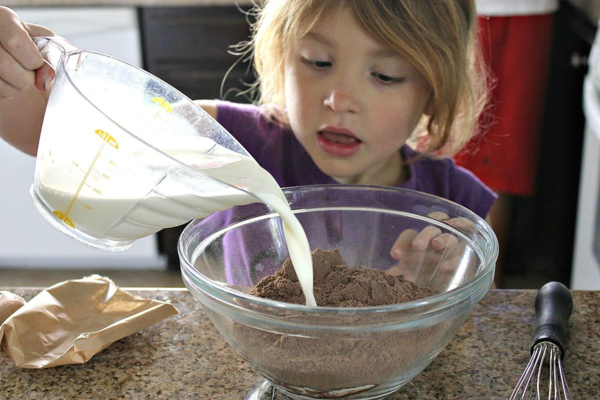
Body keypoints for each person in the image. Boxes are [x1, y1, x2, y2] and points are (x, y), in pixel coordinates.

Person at [0, 1, 496, 279]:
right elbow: (41, 133)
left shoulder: (451, 200)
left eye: (385, 76)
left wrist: (444, 273)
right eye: (318, 63)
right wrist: (12, 77)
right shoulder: (231, 143)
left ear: (434, 92)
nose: (340, 98)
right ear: (281, 59)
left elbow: (474, 308)